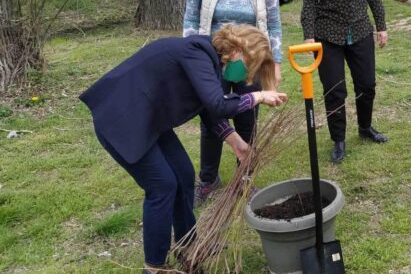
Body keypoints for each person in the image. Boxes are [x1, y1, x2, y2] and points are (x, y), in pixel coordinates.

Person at [79, 25, 288, 273]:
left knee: (184, 174)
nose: (245, 77)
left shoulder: (207, 63)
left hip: (148, 119)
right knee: (162, 186)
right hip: (122, 120)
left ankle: (188, 245)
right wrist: (258, 97)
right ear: (236, 49)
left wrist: (236, 142)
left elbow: (208, 110)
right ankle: (155, 267)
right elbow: (218, 104)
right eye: (248, 64)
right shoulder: (196, 53)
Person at [182, 0, 283, 206]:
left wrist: (275, 62)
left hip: (250, 58)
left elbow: (273, 23)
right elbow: (191, 19)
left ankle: (244, 179)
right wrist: (193, 60)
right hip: (213, 59)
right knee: (213, 116)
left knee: (248, 116)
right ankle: (209, 179)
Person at [301, 0, 389, 163]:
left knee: (367, 84)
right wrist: (309, 35)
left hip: (360, 29)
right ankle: (338, 139)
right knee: (335, 90)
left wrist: (381, 26)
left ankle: (365, 127)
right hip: (328, 33)